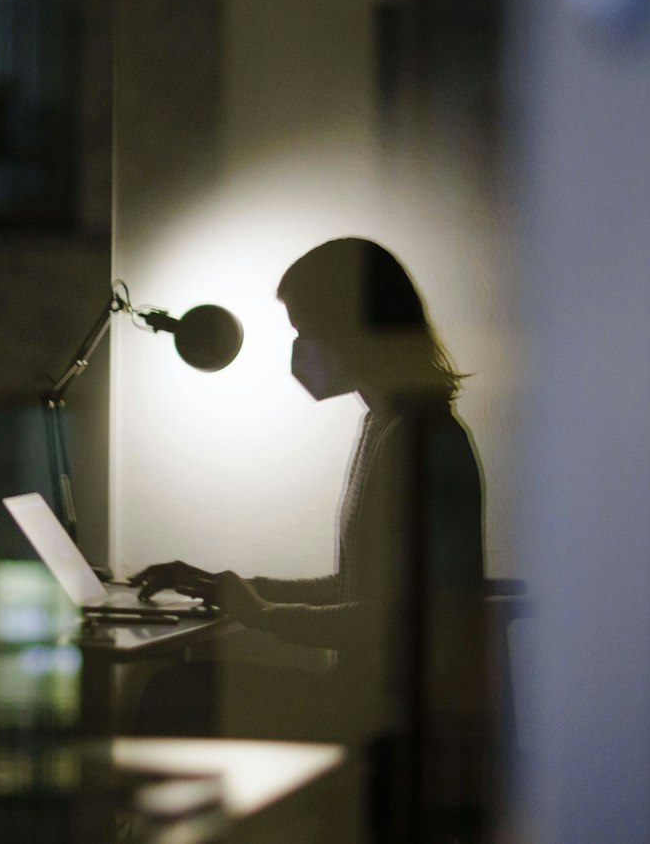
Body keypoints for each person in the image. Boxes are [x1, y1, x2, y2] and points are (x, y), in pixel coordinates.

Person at [132, 238, 489, 836]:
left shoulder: (421, 440)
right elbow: (357, 587)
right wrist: (237, 588)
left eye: (307, 330)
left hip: (391, 717)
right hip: (364, 698)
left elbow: (395, 623)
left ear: (356, 328)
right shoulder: (382, 424)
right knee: (181, 690)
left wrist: (266, 612)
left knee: (179, 695)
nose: (299, 349)